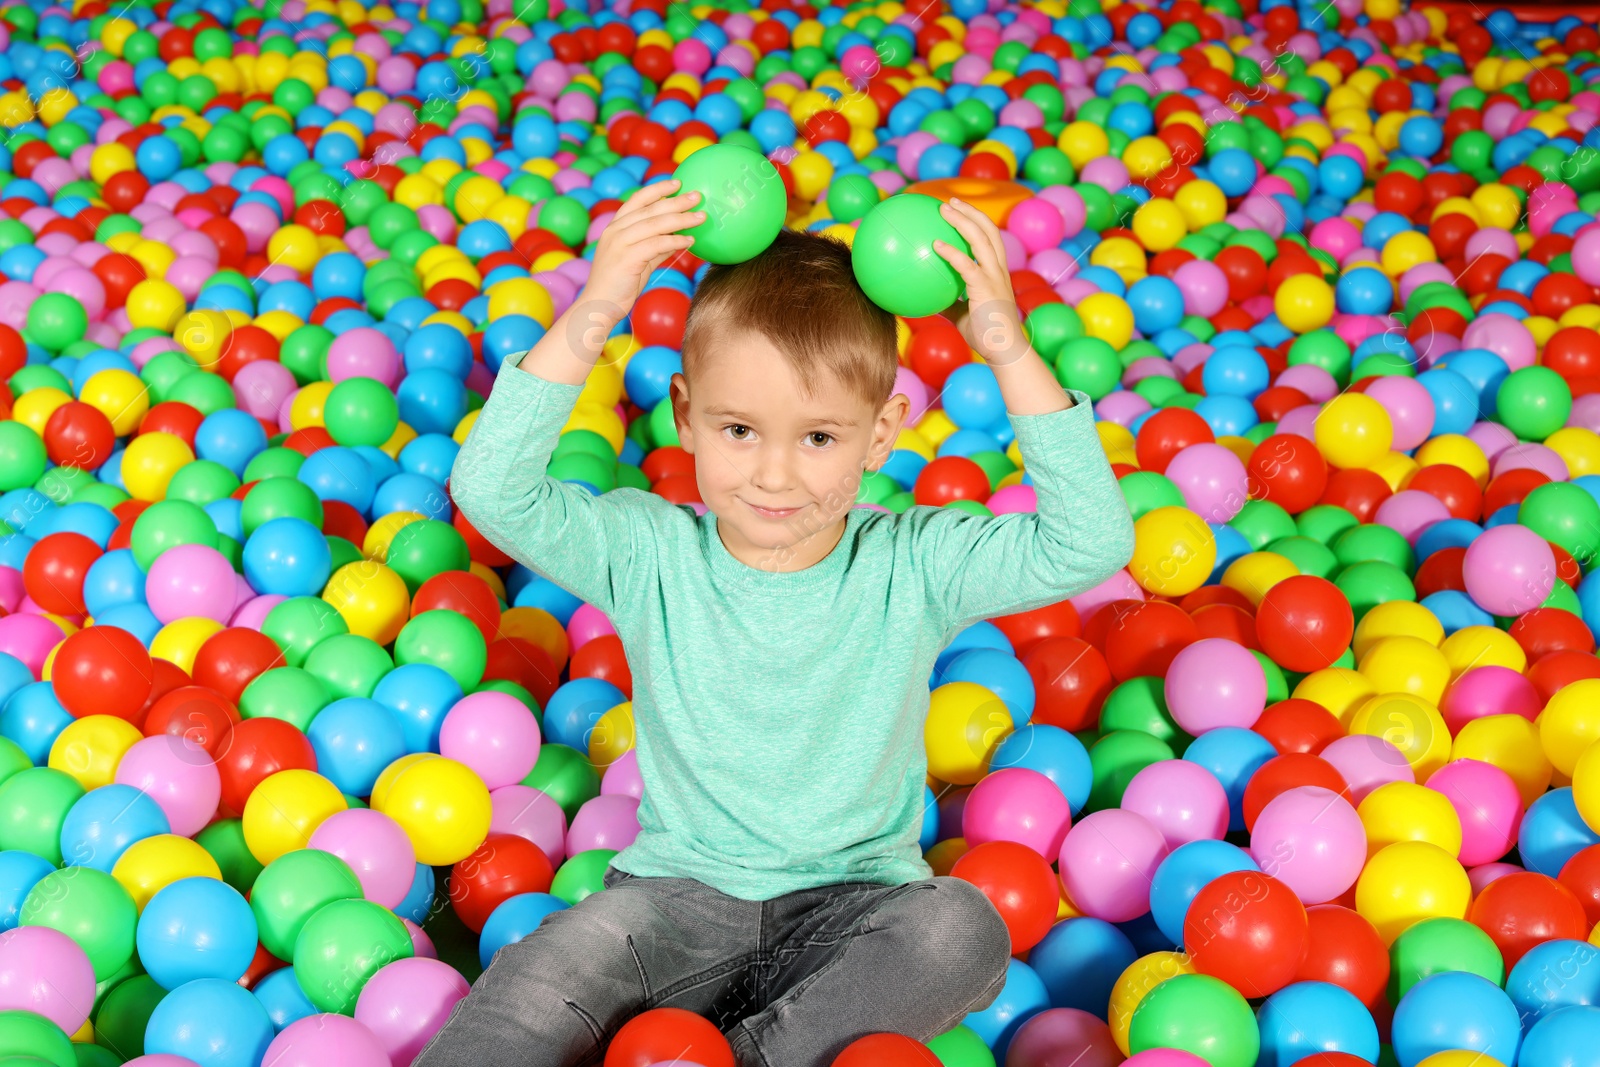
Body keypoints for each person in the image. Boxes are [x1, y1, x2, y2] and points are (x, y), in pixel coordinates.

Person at [419, 177, 1136, 1067]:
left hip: (853, 906)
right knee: (540, 973)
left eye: (820, 439)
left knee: (962, 929)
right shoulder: (649, 551)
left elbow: (1091, 540)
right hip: (671, 902)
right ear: (685, 415)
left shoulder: (912, 563)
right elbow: (490, 489)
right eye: (739, 430)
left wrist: (1005, 343)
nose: (774, 476)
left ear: (882, 437)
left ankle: (750, 1056)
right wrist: (596, 307)